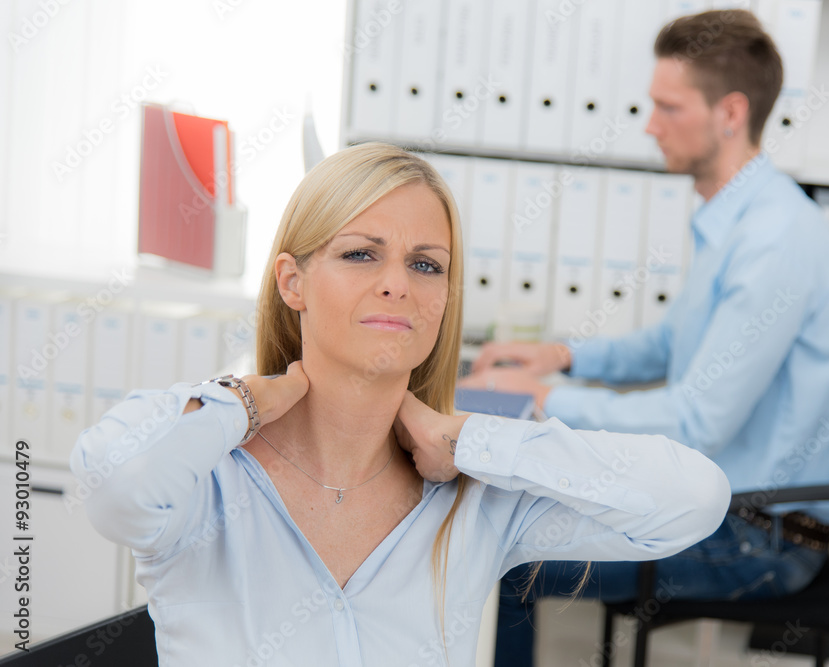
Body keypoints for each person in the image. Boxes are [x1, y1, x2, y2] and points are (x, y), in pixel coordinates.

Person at [70, 142, 730, 665]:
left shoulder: (474, 498)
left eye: (425, 264)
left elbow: (693, 498)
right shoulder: (204, 477)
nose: (397, 285)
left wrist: (471, 438)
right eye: (361, 254)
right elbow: (116, 487)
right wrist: (241, 402)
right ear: (293, 281)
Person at [461, 10, 829, 667]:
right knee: (511, 512)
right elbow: (667, 344)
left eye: (666, 106)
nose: (649, 124)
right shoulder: (737, 216)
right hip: (730, 505)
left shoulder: (773, 238)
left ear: (729, 113)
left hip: (761, 538)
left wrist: (539, 397)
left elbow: (695, 421)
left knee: (507, 561)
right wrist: (563, 356)